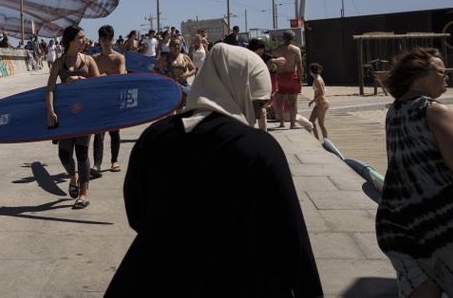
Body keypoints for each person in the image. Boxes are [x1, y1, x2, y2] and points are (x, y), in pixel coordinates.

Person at [106, 43, 322, 296]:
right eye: (258, 102)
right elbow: (291, 239)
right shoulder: (261, 149)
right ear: (240, 90)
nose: (257, 111)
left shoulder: (154, 137)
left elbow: (137, 215)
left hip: (158, 277)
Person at [375, 48, 453, 297]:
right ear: (420, 74)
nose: (447, 77)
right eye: (442, 72)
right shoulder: (435, 110)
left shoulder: (395, 110)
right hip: (438, 221)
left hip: (395, 221)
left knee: (426, 290)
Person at [46, 25, 100, 209]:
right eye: (81, 37)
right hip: (66, 114)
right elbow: (50, 88)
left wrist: (80, 80)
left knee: (82, 153)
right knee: (64, 155)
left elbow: (100, 86)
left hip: (85, 114)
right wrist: (50, 111)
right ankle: (73, 176)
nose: (84, 40)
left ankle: (84, 194)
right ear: (71, 40)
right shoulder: (59, 63)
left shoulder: (89, 60)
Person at [91, 25, 126, 177]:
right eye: (103, 39)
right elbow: (89, 78)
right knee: (98, 133)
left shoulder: (118, 57)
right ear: (99, 40)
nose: (106, 42)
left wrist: (105, 77)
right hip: (99, 100)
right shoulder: (94, 59)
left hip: (114, 99)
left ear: (112, 40)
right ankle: (97, 164)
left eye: (109, 39)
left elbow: (122, 74)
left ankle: (114, 160)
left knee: (114, 131)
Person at [248, 38, 286, 131]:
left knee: (262, 112)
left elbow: (283, 60)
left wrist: (273, 61)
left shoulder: (266, 56)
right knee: (250, 114)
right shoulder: (247, 57)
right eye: (258, 53)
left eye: (261, 53)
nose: (260, 55)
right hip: (249, 88)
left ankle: (263, 135)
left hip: (261, 88)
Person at [272, 31, 303, 129]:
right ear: (293, 38)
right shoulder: (296, 50)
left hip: (280, 76)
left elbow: (271, 54)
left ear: (283, 38)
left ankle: (281, 123)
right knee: (293, 102)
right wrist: (300, 78)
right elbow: (299, 65)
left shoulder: (277, 49)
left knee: (280, 102)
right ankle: (293, 124)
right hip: (291, 76)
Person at [154, 36, 196, 102]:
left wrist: (187, 74)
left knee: (190, 99)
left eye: (178, 45)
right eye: (174, 45)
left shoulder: (185, 57)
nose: (176, 47)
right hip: (169, 87)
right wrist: (165, 76)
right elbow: (155, 69)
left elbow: (193, 69)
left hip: (183, 85)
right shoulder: (165, 58)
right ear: (170, 47)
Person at [307, 63, 330, 140]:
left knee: (321, 123)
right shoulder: (317, 78)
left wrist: (312, 101)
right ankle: (317, 139)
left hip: (322, 103)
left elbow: (322, 93)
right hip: (319, 103)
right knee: (311, 122)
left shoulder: (317, 80)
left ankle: (326, 140)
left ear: (311, 71)